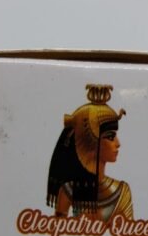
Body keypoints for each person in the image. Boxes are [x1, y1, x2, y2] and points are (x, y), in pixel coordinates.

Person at [47, 84, 133, 222]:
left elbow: (128, 235)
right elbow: (58, 232)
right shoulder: (68, 191)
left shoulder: (122, 191)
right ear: (90, 144)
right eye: (110, 137)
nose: (118, 143)